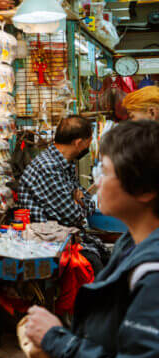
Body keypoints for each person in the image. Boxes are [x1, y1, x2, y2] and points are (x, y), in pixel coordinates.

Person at [23, 120, 159, 358]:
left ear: (143, 190)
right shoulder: (131, 245)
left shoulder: (152, 278)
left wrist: (57, 340)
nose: (96, 182)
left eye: (105, 170)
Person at [17, 115, 107, 272]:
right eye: (89, 141)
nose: (89, 145)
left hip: (67, 236)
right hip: (49, 243)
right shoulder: (48, 168)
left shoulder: (65, 164)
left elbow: (87, 202)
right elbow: (73, 215)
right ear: (79, 142)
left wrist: (80, 202)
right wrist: (79, 203)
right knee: (96, 267)